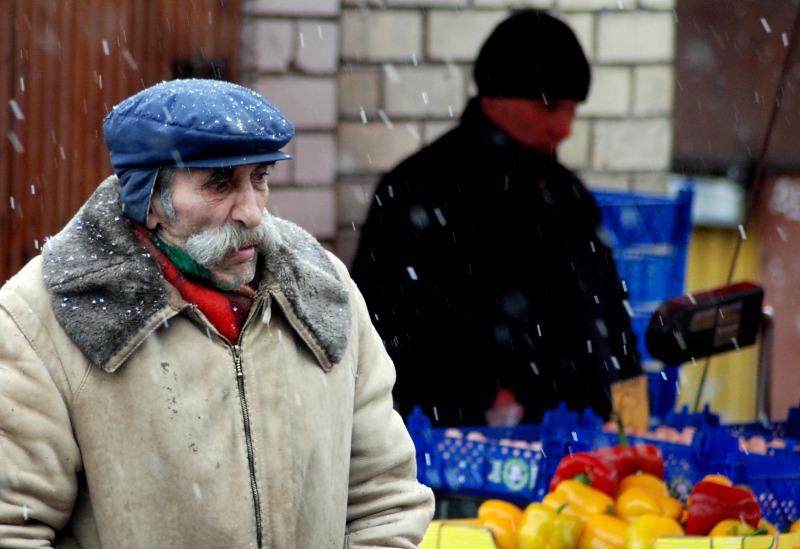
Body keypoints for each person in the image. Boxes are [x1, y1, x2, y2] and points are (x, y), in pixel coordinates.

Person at [0, 79, 434, 548]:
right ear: (149, 201)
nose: (252, 212)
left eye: (260, 178)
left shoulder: (324, 288)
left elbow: (385, 499)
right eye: (220, 183)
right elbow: (13, 527)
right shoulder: (40, 317)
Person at [351, 10, 644, 428]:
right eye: (549, 107)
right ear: (495, 96)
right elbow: (385, 329)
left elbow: (611, 313)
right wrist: (484, 398)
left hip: (588, 441)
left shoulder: (566, 194)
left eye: (573, 110)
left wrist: (635, 420)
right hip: (468, 445)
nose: (565, 128)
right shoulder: (420, 189)